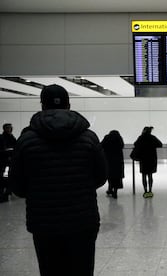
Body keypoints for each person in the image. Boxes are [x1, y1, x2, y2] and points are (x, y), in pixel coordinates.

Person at [8, 84, 108, 276]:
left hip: (44, 222)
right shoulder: (88, 137)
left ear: (42, 106)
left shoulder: (26, 139)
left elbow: (17, 186)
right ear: (69, 105)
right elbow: (101, 177)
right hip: (83, 220)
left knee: (50, 271)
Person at [132, 126, 162, 198]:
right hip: (151, 159)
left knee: (144, 175)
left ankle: (145, 191)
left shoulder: (141, 137)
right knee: (150, 175)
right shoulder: (153, 138)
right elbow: (160, 144)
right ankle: (150, 190)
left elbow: (135, 144)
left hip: (143, 159)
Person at [101, 130, 125, 199]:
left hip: (109, 160)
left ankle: (110, 189)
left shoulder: (107, 138)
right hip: (118, 161)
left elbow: (101, 145)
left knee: (110, 176)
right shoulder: (119, 138)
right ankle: (115, 192)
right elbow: (122, 146)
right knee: (117, 177)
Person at [0, 123, 16, 202]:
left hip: (10, 161)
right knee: (4, 177)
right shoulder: (2, 138)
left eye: (10, 128)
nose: (9, 129)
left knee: (9, 176)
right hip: (4, 161)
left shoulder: (12, 137)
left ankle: (7, 192)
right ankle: (4, 193)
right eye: (7, 128)